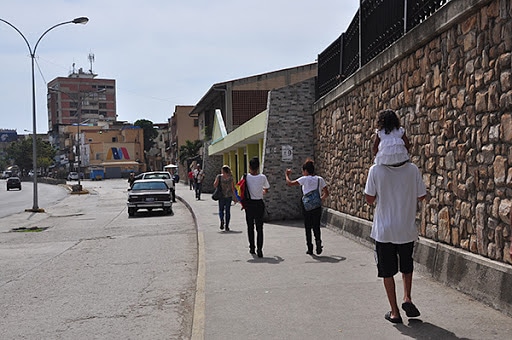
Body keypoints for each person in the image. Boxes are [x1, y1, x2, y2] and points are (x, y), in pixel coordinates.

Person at [364, 154, 427, 324]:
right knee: (407, 266)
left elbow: (369, 199)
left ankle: (394, 312)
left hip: (384, 231)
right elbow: (422, 195)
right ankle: (407, 297)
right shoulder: (412, 169)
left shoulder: (375, 170)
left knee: (387, 271)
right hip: (406, 228)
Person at [285, 159, 329, 255]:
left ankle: (310, 247)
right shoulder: (319, 179)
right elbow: (326, 193)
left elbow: (290, 183)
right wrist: (321, 199)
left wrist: (287, 175)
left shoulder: (304, 179)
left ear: (305, 171)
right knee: (316, 226)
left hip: (307, 206)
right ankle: (318, 242)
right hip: (317, 206)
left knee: (308, 227)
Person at [243, 157, 270, 258]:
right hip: (259, 204)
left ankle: (252, 247)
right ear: (258, 167)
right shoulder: (262, 177)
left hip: (249, 205)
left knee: (250, 227)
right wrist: (262, 192)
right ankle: (260, 249)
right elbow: (266, 189)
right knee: (259, 228)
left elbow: (241, 190)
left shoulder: (245, 177)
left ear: (249, 166)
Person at [213, 165, 238, 231]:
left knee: (221, 210)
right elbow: (233, 188)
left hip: (221, 196)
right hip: (229, 196)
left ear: (223, 170)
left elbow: (215, 185)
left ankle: (222, 220)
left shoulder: (219, 177)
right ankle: (227, 225)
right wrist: (235, 197)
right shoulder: (231, 178)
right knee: (228, 211)